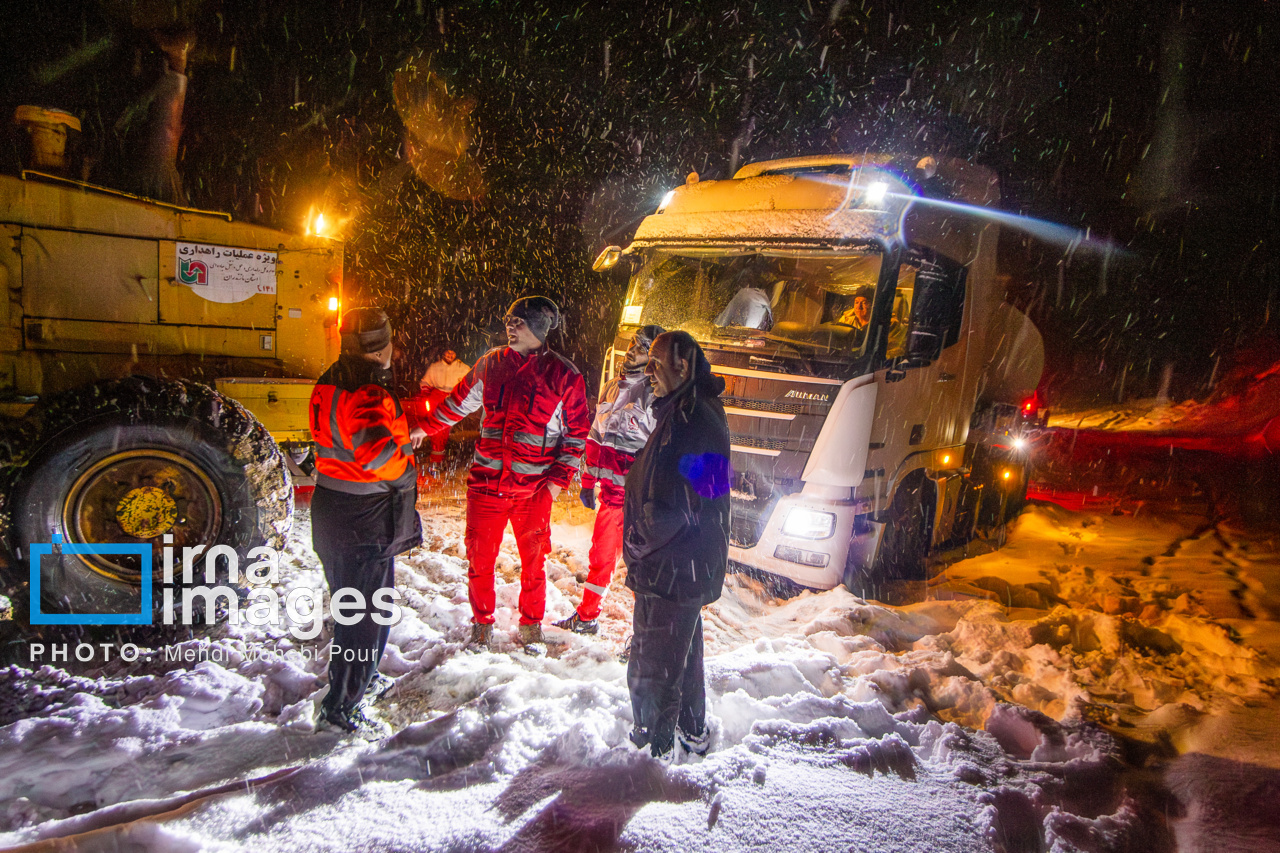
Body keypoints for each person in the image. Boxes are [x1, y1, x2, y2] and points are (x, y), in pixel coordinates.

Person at [425, 296, 590, 654]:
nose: (509, 326)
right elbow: (457, 403)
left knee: (534, 562)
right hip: (486, 487)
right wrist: (423, 429)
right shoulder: (491, 364)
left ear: (538, 328)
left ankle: (531, 624)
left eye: (518, 321)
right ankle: (481, 624)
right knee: (479, 559)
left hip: (534, 492)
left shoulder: (564, 375)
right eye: (508, 319)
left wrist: (554, 486)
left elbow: (577, 435)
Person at [309, 307, 426, 734]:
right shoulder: (369, 390)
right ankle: (341, 709)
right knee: (363, 617)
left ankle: (361, 681)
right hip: (364, 518)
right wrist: (407, 467)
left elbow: (347, 438)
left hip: (333, 509)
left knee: (358, 610)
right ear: (385, 347)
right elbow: (378, 455)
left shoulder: (330, 379)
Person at [623, 331, 731, 762]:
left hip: (671, 565)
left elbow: (682, 504)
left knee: (653, 669)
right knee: (682, 661)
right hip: (681, 564)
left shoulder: (694, 419)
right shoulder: (688, 410)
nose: (648, 372)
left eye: (655, 363)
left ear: (682, 367)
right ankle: (691, 734)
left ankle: (651, 753)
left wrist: (637, 541)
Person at [555, 324, 665, 635]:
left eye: (642, 346)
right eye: (633, 343)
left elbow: (659, 451)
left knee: (641, 569)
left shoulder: (657, 394)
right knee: (600, 559)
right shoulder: (612, 387)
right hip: (610, 498)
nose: (632, 350)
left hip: (638, 502)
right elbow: (596, 437)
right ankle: (587, 617)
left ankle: (645, 635)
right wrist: (588, 481)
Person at [419, 348, 471, 465]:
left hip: (453, 397)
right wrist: (426, 396)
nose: (450, 355)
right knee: (436, 425)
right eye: (447, 352)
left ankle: (441, 455)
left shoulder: (463, 368)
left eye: (452, 352)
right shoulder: (435, 367)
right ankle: (436, 456)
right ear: (443, 353)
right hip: (436, 397)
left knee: (445, 426)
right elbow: (425, 383)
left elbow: (470, 383)